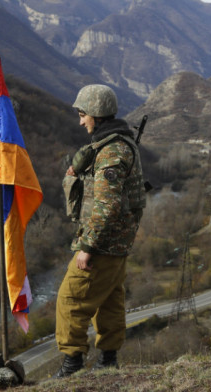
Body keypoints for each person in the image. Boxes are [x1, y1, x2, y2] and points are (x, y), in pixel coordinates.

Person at [54, 84, 147, 377]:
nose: (81, 121)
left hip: (103, 244)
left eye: (83, 115)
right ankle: (107, 362)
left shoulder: (111, 152)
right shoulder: (116, 144)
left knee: (70, 300)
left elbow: (106, 206)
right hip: (116, 243)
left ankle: (72, 365)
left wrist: (87, 247)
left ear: (96, 114)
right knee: (108, 300)